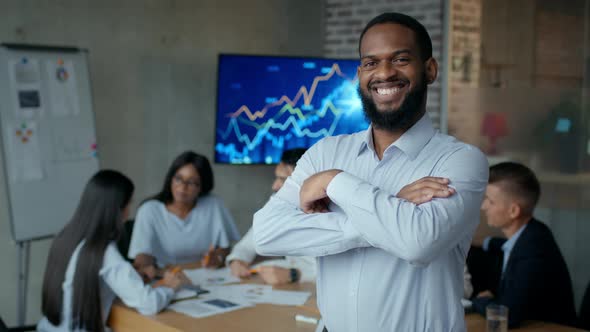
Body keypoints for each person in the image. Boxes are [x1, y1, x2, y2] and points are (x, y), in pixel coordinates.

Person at [253, 12, 488, 331]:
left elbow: (416, 243)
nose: (385, 73)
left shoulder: (461, 160)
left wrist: (334, 181)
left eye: (401, 59)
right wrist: (388, 206)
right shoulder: (326, 151)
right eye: (370, 62)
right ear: (361, 73)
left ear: (429, 69)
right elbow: (266, 234)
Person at [38, 170, 189, 332]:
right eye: (129, 203)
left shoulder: (66, 237)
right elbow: (148, 304)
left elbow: (91, 279)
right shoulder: (103, 252)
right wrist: (169, 287)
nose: (129, 211)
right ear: (118, 209)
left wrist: (132, 275)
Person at [472, 162, 577, 327]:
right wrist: (481, 242)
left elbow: (508, 315)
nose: (483, 206)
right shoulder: (532, 233)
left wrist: (480, 301)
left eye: (490, 201)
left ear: (514, 211)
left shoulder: (534, 248)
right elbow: (502, 245)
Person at [128, 151, 240, 280]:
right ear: (170, 178)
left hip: (206, 276)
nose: (182, 187)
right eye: (178, 178)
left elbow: (225, 248)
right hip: (167, 277)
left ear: (202, 187)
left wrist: (218, 258)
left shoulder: (213, 205)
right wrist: (145, 265)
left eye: (191, 182)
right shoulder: (149, 210)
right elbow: (142, 254)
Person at [227, 148, 316, 285]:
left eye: (283, 180)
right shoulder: (279, 201)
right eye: (276, 178)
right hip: (292, 290)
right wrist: (237, 260)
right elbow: (248, 244)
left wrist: (295, 275)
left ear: (309, 182)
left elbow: (340, 273)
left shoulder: (333, 211)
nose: (275, 186)